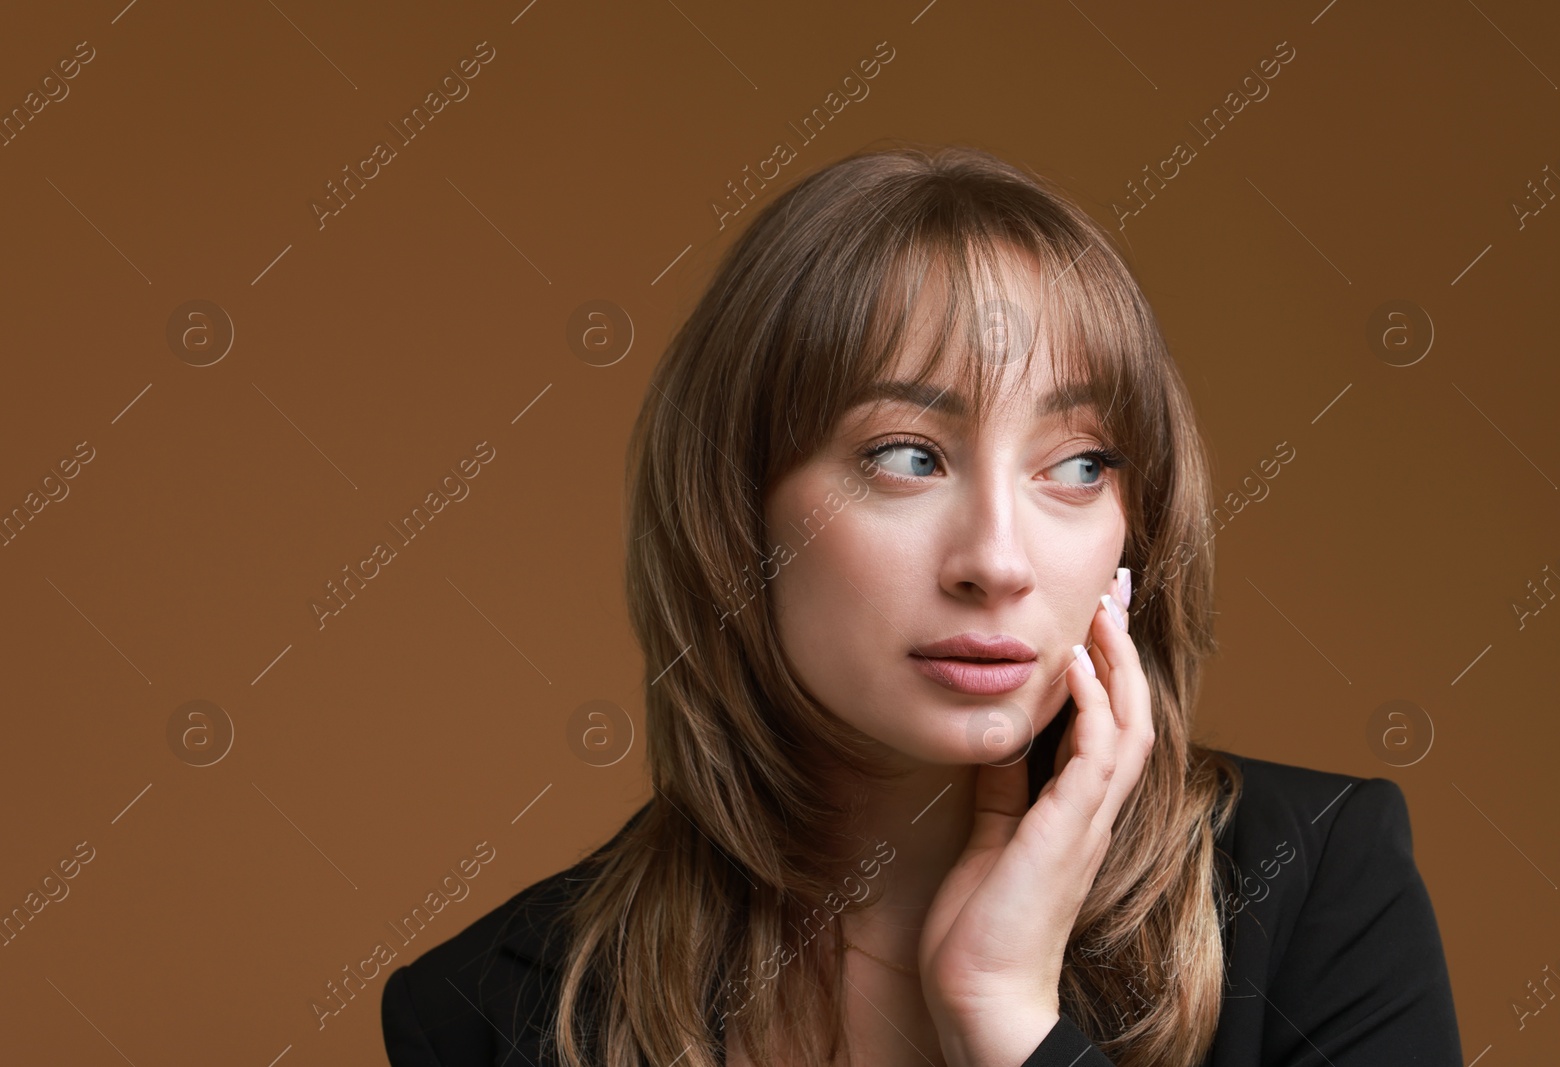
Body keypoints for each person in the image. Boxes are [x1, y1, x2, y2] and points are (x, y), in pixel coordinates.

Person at [380, 144, 1463, 1067]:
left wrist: (1009, 1016)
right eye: (907, 456)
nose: (997, 560)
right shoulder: (493, 1009)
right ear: (733, 513)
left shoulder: (1313, 887)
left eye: (1078, 465)